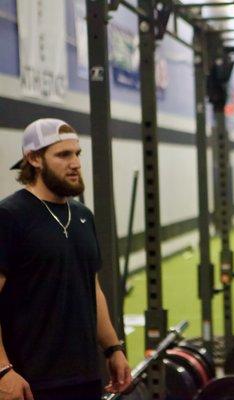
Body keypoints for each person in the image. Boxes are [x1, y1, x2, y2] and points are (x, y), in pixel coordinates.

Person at [0, 119, 132, 400]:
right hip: (30, 381)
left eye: (77, 154)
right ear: (34, 159)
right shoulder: (10, 216)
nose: (75, 163)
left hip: (84, 376)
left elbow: (91, 289)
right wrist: (2, 370)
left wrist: (113, 349)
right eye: (63, 155)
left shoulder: (84, 216)